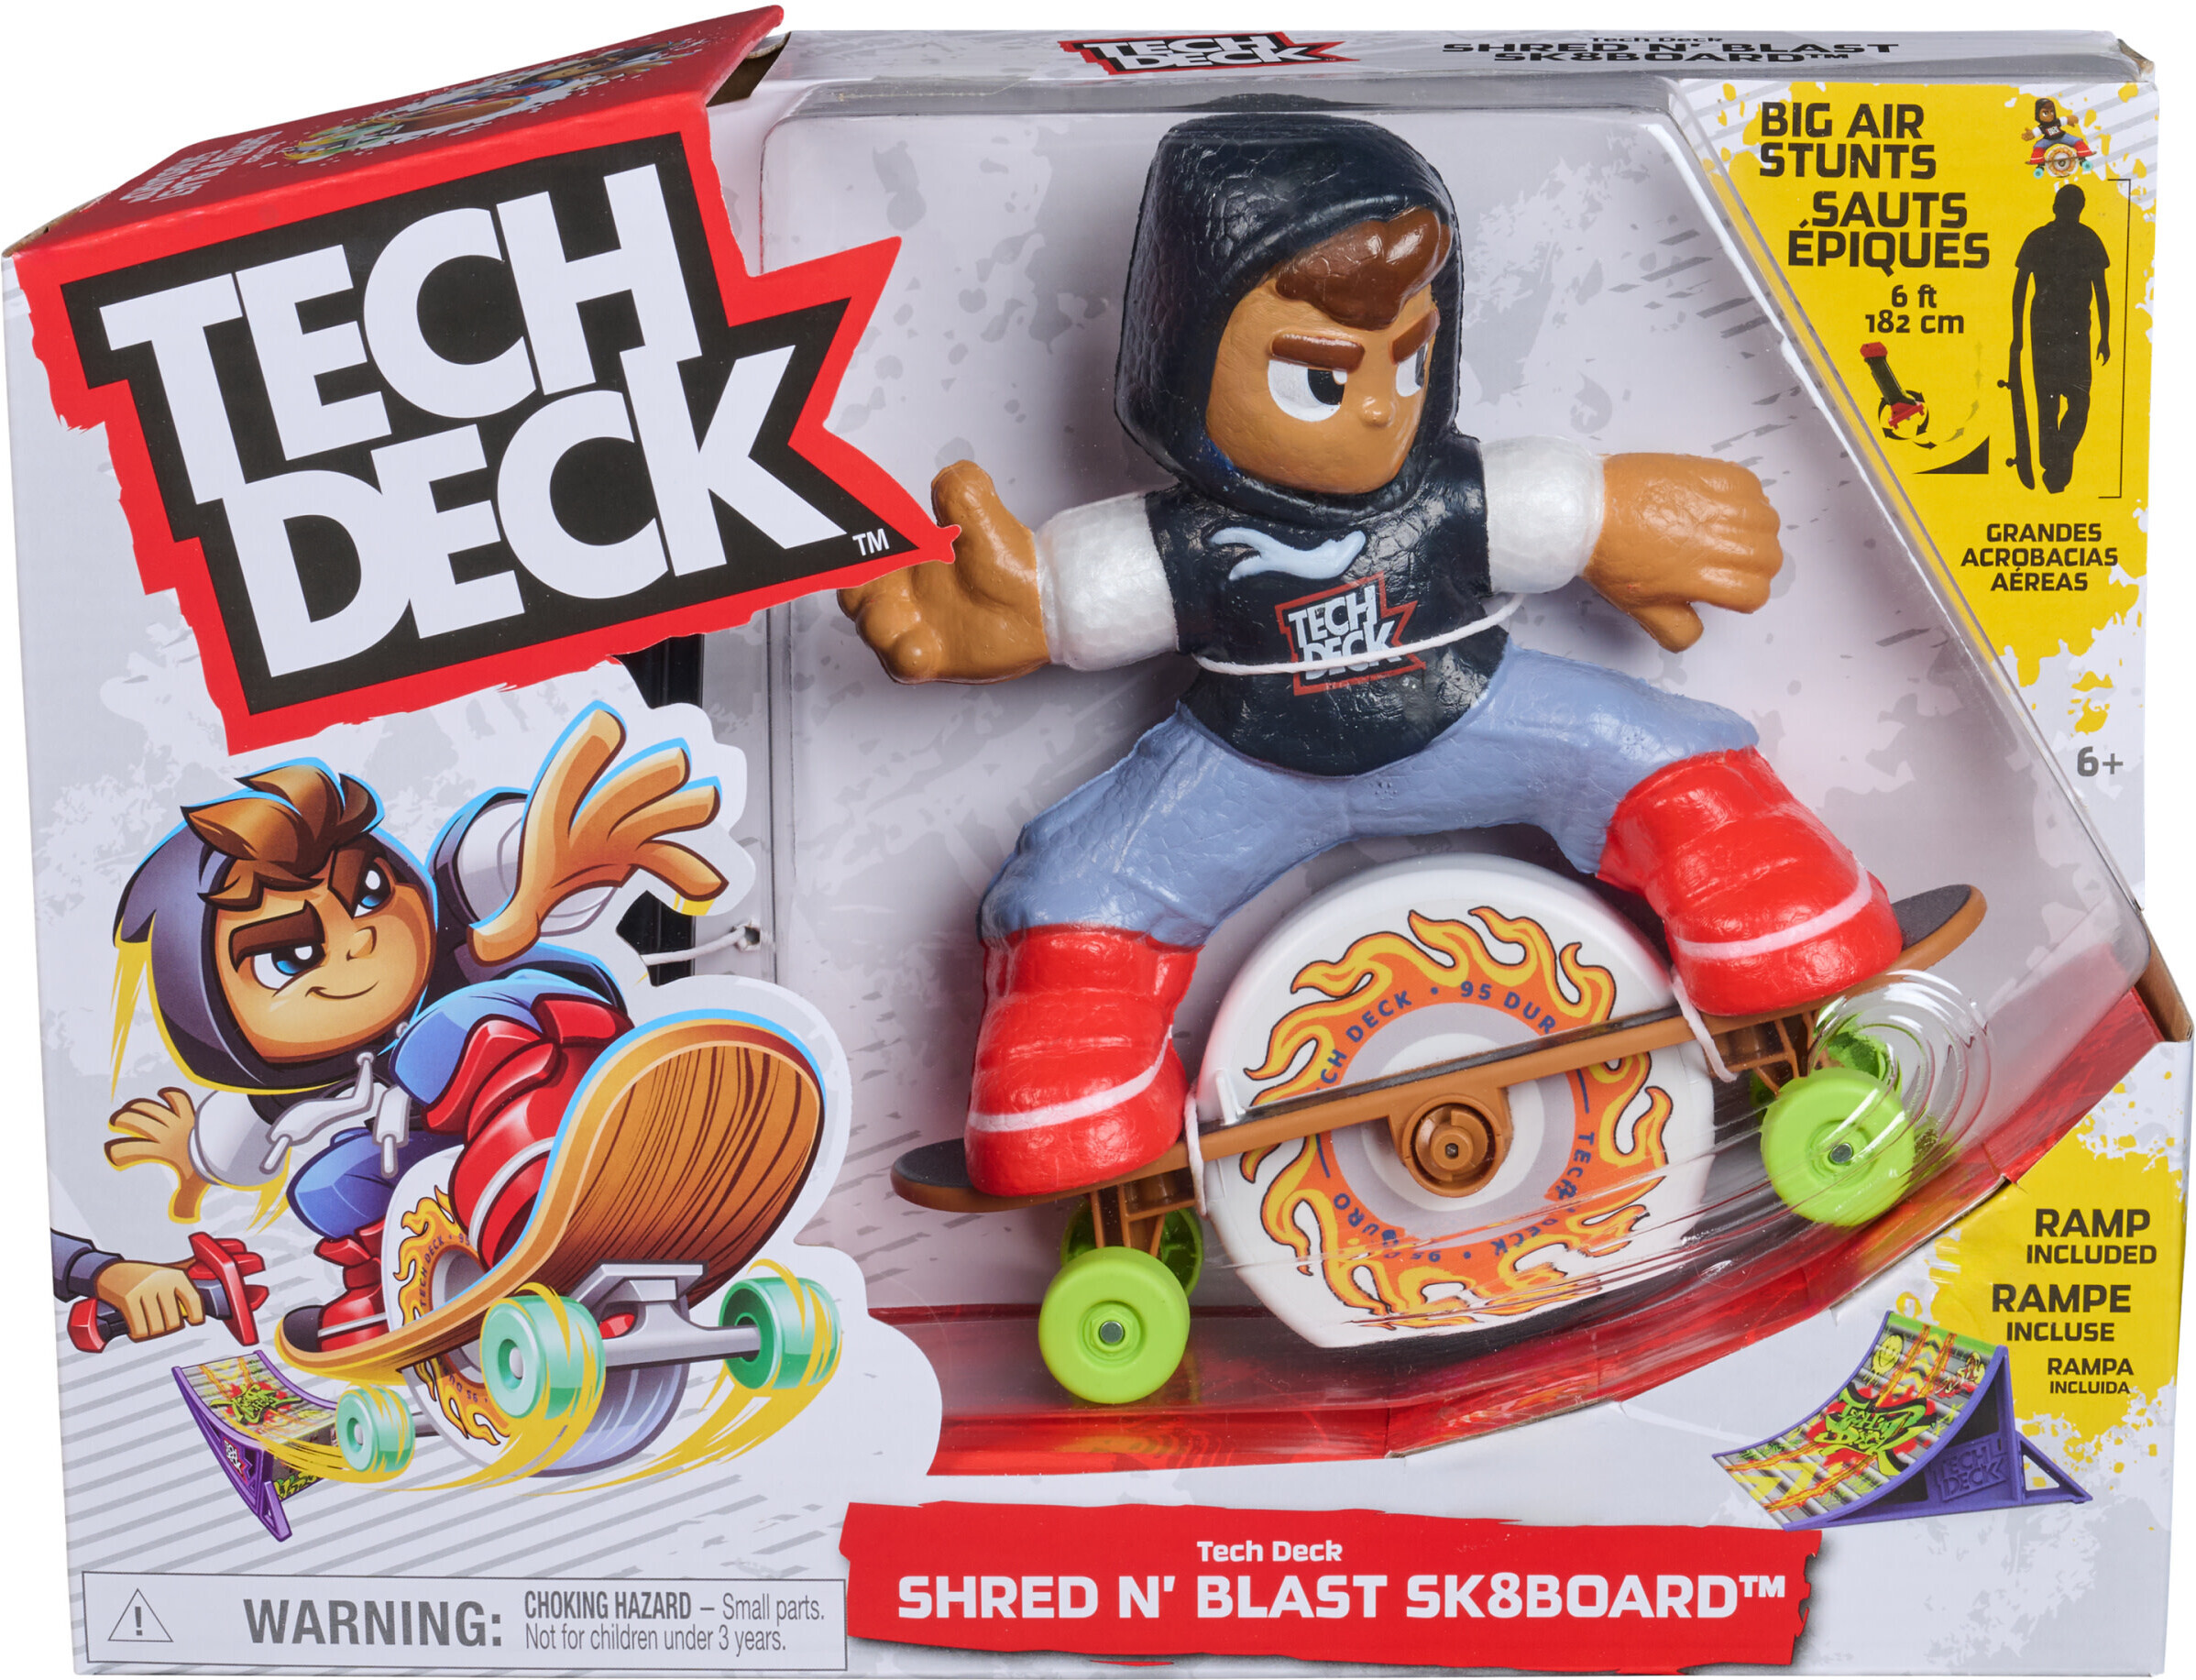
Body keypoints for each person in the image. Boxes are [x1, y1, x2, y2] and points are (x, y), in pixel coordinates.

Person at [839, 113, 1903, 1198]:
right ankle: (1074, 1091)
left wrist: (1622, 513)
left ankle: (1773, 919)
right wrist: (1013, 616)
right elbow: (1069, 599)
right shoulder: (1183, 541)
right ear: (1185, 364)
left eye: (1410, 358)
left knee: (1659, 755)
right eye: (1317, 378)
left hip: (1469, 716)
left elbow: (1564, 508)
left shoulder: (1447, 494)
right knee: (1079, 886)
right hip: (1243, 769)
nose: (1378, 410)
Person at [104, 706, 727, 1350]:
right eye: (289, 955)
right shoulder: (289, 1091)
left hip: (556, 1078)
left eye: (371, 890)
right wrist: (194, 1158)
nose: (358, 940)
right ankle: (390, 1293)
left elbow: (492, 865)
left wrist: (544, 860)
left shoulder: (455, 957)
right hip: (443, 1168)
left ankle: (561, 1173)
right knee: (324, 1185)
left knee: (440, 1036)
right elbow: (238, 1137)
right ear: (212, 1015)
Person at [2014, 183, 2112, 494]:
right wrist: (2016, 336)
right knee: (2050, 402)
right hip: (2047, 330)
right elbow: (2020, 287)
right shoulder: (2039, 238)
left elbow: (2101, 291)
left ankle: (2055, 459)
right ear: (2057, 208)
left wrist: (2105, 337)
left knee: (2076, 401)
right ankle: (2054, 464)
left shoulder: (2089, 239)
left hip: (2075, 332)